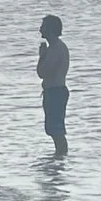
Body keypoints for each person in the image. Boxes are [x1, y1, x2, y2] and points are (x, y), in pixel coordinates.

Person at [37, 13, 70, 156]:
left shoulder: (56, 48)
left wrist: (42, 56)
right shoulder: (56, 47)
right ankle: (60, 157)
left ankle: (61, 156)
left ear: (50, 29)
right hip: (54, 90)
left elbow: (42, 72)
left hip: (55, 91)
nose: (40, 30)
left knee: (56, 130)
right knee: (53, 129)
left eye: (43, 27)